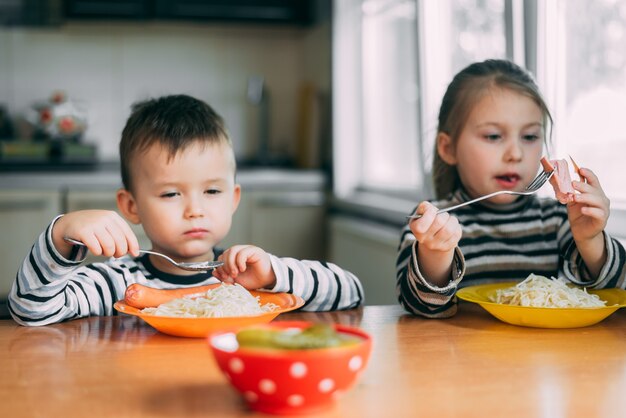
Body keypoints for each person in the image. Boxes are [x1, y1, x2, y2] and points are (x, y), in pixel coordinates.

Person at [9, 94, 363, 326]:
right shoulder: (115, 282)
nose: (195, 210)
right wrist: (59, 235)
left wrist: (274, 275)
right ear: (131, 206)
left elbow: (352, 293)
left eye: (212, 190)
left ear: (234, 198)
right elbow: (30, 310)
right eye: (170, 194)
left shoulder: (252, 279)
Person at [396, 59, 625, 318]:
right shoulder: (430, 224)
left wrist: (590, 239)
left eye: (529, 137)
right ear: (448, 148)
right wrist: (436, 252)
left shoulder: (558, 220)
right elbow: (418, 307)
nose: (515, 153)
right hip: (465, 357)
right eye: (493, 136)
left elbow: (612, 293)